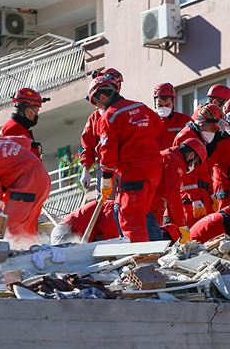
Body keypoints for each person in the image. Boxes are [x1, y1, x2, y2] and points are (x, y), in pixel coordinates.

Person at [87, 75, 163, 242]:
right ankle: (151, 256)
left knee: (130, 219)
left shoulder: (110, 117)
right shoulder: (141, 107)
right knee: (142, 215)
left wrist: (106, 178)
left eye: (96, 102)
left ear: (103, 96)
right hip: (154, 170)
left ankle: (142, 262)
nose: (97, 107)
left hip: (133, 173)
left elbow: (108, 152)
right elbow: (158, 126)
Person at [173, 103, 224, 226]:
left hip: (202, 195)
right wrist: (195, 198)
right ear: (202, 123)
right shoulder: (186, 137)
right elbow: (184, 172)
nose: (213, 132)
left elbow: (205, 169)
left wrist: (211, 193)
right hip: (191, 198)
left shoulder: (199, 136)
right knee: (193, 236)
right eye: (212, 129)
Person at [152, 138, 207, 243]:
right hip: (147, 210)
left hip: (149, 209)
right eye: (195, 163)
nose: (192, 167)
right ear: (191, 155)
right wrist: (181, 225)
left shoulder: (169, 157)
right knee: (153, 249)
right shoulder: (174, 161)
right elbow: (173, 194)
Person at [78, 68, 124, 188]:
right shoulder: (95, 117)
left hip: (127, 164)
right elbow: (88, 145)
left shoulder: (125, 110)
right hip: (105, 168)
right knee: (108, 204)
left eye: (118, 84)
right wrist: (86, 169)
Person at [0, 87, 49, 159]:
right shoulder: (13, 130)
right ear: (27, 111)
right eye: (36, 112)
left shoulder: (18, 128)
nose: (36, 115)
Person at [50, 199, 119, 244]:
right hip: (66, 233)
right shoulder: (113, 208)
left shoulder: (109, 206)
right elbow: (109, 236)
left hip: (65, 232)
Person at [153, 82, 192, 151]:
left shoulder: (184, 121)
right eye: (160, 105)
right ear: (155, 104)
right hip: (155, 161)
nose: (164, 108)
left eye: (167, 105)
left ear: (173, 103)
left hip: (177, 160)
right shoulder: (149, 122)